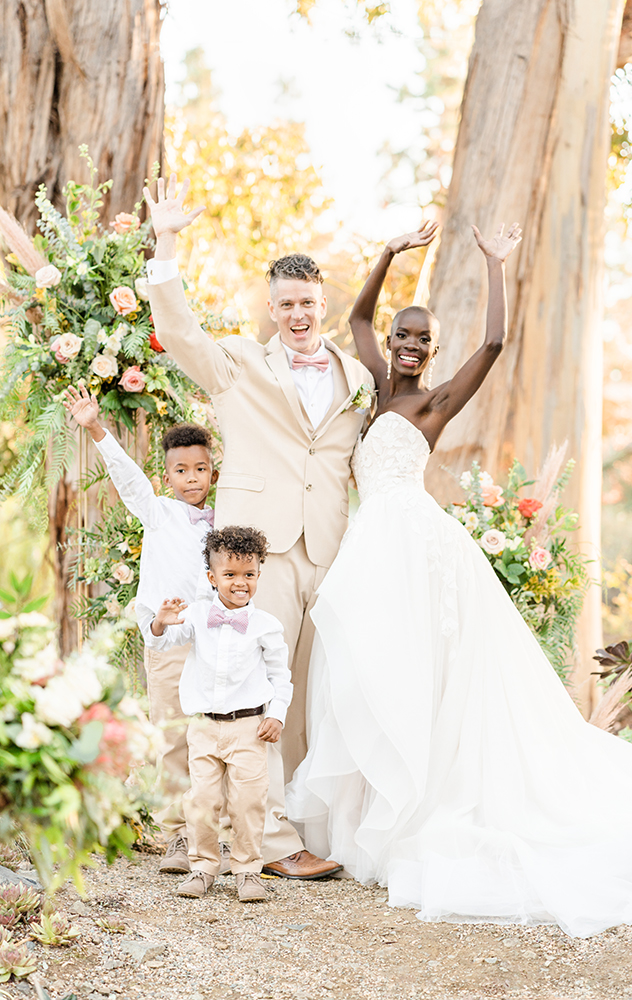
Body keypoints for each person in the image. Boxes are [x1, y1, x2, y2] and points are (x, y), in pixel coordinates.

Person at [286, 221, 632, 938]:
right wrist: (388, 253)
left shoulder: (432, 404)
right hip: (371, 544)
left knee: (420, 672)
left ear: (430, 352)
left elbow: (492, 344)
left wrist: (495, 263)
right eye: (403, 332)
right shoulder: (373, 387)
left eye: (420, 338)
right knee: (363, 668)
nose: (405, 342)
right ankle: (371, 810)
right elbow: (359, 317)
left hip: (411, 541)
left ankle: (420, 803)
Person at [142, 173, 372, 879]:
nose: (297, 315)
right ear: (271, 309)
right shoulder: (240, 362)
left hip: (327, 550)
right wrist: (168, 241)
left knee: (299, 695)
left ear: (322, 304)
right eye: (285, 305)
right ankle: (272, 845)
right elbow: (178, 332)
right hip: (254, 554)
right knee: (248, 687)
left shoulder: (356, 375)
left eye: (307, 303)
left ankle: (287, 820)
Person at [63, 382, 217, 876]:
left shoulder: (225, 518)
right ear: (167, 475)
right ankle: (176, 834)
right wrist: (97, 428)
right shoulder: (158, 512)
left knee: (213, 736)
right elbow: (129, 479)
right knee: (172, 735)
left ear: (213, 469)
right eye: (181, 470)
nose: (191, 478)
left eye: (200, 469)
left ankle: (216, 832)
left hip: (215, 645)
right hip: (167, 642)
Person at [145, 526, 292, 902]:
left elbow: (280, 676)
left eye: (248, 574)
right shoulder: (196, 615)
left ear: (259, 574)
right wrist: (161, 621)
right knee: (203, 800)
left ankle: (247, 871)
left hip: (249, 728)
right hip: (204, 727)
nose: (239, 583)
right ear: (212, 578)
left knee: (248, 801)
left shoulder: (266, 626)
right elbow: (166, 640)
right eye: (229, 575)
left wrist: (277, 714)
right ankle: (203, 867)